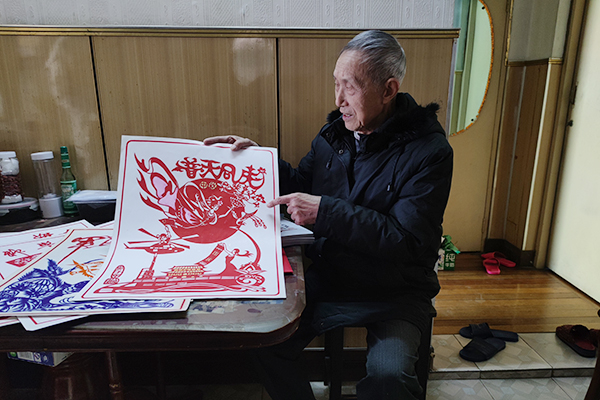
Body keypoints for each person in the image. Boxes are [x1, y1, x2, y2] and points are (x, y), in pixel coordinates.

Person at [204, 29, 453, 400]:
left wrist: (325, 212)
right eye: (336, 84)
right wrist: (256, 162)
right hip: (333, 277)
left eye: (350, 87)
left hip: (396, 292)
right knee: (264, 342)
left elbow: (408, 241)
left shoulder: (429, 151)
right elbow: (301, 184)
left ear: (388, 90)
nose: (339, 100)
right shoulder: (334, 136)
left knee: (389, 376)